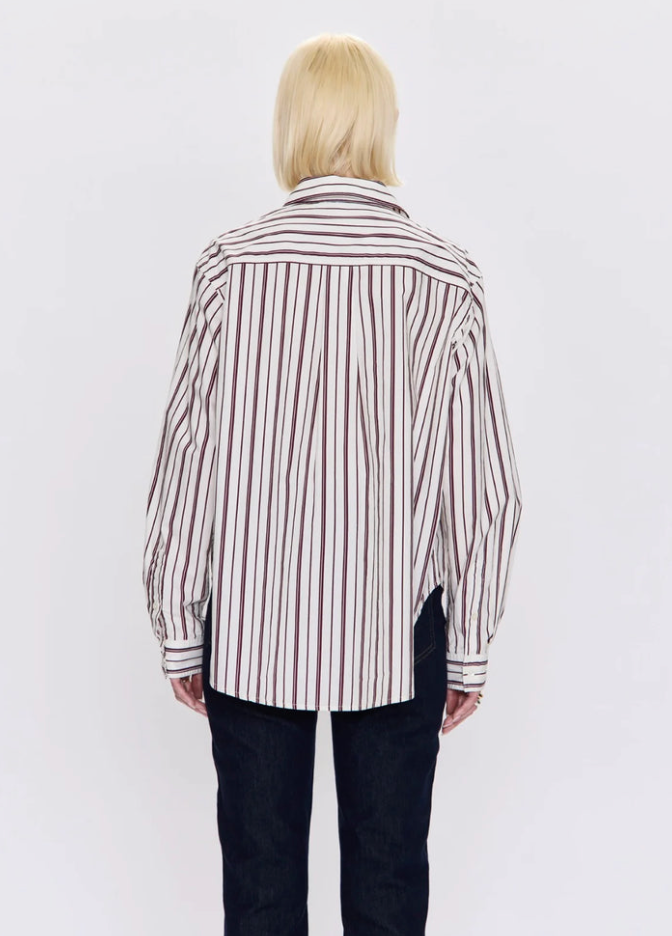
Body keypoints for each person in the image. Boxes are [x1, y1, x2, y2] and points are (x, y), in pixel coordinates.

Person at [142, 31, 523, 936]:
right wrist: (469, 643)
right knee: (390, 893)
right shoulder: (445, 276)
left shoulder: (230, 268)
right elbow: (485, 486)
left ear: (292, 125)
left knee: (260, 896)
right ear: (384, 125)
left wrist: (177, 624)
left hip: (252, 625)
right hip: (397, 628)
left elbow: (187, 458)